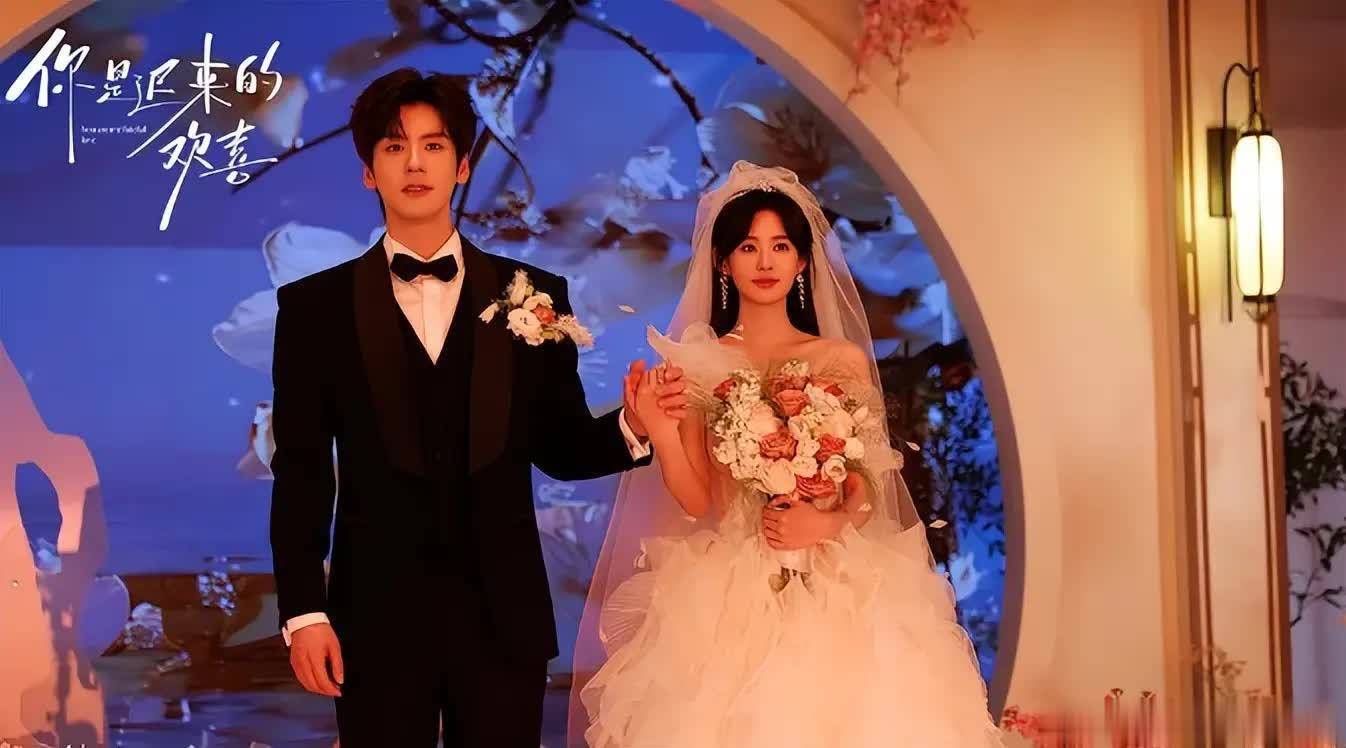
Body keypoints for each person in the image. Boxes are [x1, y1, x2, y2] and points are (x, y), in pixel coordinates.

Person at [267, 67, 688, 747]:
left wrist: (633, 424)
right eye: (394, 146)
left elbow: (560, 446)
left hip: (503, 617)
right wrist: (304, 613)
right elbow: (302, 473)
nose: (414, 163)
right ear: (369, 172)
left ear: (462, 167)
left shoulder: (535, 295)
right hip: (374, 619)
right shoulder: (315, 308)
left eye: (433, 146)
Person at [569, 161, 1004, 747]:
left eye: (780, 246)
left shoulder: (840, 360)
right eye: (748, 247)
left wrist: (826, 520)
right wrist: (662, 432)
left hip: (838, 581)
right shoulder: (699, 363)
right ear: (723, 262)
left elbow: (868, 481)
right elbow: (696, 498)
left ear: (802, 261)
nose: (765, 262)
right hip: (730, 588)